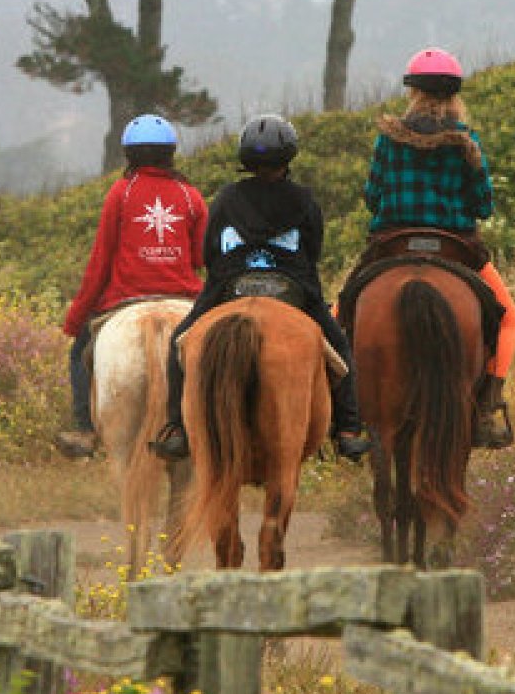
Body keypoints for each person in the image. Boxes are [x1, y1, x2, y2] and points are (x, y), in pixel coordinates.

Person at [148, 113, 370, 462]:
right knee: (340, 349)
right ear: (289, 157)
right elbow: (314, 251)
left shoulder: (226, 199)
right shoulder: (304, 200)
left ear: (245, 159)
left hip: (230, 286)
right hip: (293, 288)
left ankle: (177, 427)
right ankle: (348, 430)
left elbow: (209, 251)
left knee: (180, 345)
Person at [362, 47, 515, 449]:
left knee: (338, 314)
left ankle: (348, 413)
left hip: (392, 247)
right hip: (455, 250)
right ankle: (487, 406)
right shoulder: (468, 142)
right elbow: (483, 205)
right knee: (509, 320)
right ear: (454, 95)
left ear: (412, 92)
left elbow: (371, 197)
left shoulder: (388, 139)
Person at [55, 113, 207, 458]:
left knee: (80, 352)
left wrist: (76, 318)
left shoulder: (120, 194)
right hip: (184, 297)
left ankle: (85, 430)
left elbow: (100, 262)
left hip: (126, 298)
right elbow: (199, 256)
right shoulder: (190, 196)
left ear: (129, 155)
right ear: (170, 153)